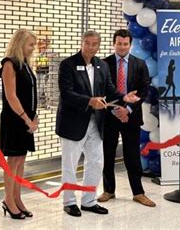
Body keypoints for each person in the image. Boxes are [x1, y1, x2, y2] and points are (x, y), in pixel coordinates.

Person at [56, 30, 140, 217]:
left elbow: (110, 90)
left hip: (96, 122)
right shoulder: (68, 64)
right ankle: (69, 202)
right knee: (70, 164)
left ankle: (89, 201)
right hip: (73, 123)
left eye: (95, 44)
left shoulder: (102, 65)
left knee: (96, 162)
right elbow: (66, 93)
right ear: (82, 43)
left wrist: (124, 97)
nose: (91, 47)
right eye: (87, 43)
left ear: (99, 45)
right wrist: (89, 100)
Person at [97, 29, 156, 207]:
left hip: (131, 117)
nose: (122, 47)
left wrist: (128, 109)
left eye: (125, 44)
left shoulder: (139, 64)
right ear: (113, 43)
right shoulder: (103, 64)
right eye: (119, 43)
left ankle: (138, 192)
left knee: (132, 155)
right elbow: (101, 90)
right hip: (110, 116)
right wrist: (116, 109)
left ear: (130, 45)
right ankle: (108, 190)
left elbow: (144, 90)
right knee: (107, 153)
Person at [0, 29, 39, 220]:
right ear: (20, 43)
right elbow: (11, 96)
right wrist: (26, 118)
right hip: (14, 120)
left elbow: (31, 94)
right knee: (13, 161)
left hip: (26, 120)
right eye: (30, 44)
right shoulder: (10, 63)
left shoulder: (26, 65)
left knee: (21, 160)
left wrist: (35, 117)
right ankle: (8, 200)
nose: (33, 48)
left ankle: (17, 198)